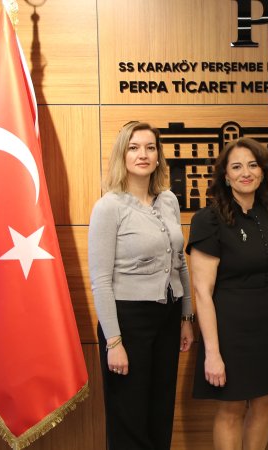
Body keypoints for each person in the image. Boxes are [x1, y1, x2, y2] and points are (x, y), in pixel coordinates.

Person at [186, 137, 268, 450]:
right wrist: (212, 353)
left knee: (267, 404)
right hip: (231, 331)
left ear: (263, 171)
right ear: (225, 175)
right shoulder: (208, 220)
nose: (246, 173)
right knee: (232, 409)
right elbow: (202, 291)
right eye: (237, 166)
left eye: (253, 165)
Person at [88, 121, 194, 449]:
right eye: (134, 148)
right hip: (127, 321)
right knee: (129, 418)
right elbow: (100, 280)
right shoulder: (109, 206)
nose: (143, 154)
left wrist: (186, 316)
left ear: (159, 156)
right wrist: (114, 341)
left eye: (150, 147)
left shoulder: (168, 201)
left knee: (159, 413)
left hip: (167, 316)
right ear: (122, 155)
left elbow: (179, 261)